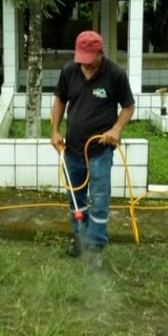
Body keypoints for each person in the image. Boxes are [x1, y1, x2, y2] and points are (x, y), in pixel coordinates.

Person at [50, 30, 135, 267]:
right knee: (75, 200)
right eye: (81, 59)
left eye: (89, 59)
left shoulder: (115, 74)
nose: (84, 64)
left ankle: (96, 245)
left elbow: (128, 107)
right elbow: (60, 100)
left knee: (99, 199)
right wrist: (55, 130)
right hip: (72, 150)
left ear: (100, 53)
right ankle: (80, 239)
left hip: (99, 151)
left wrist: (116, 129)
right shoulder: (69, 70)